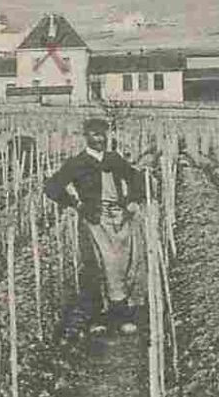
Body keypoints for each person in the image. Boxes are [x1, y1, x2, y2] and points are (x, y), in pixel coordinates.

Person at [43, 117, 147, 335]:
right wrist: (76, 204)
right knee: (101, 265)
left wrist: (132, 201)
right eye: (95, 135)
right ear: (86, 137)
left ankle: (122, 315)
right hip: (94, 220)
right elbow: (52, 186)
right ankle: (100, 317)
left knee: (123, 264)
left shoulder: (114, 159)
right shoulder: (77, 163)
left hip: (119, 218)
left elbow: (135, 178)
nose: (100, 139)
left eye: (103, 134)